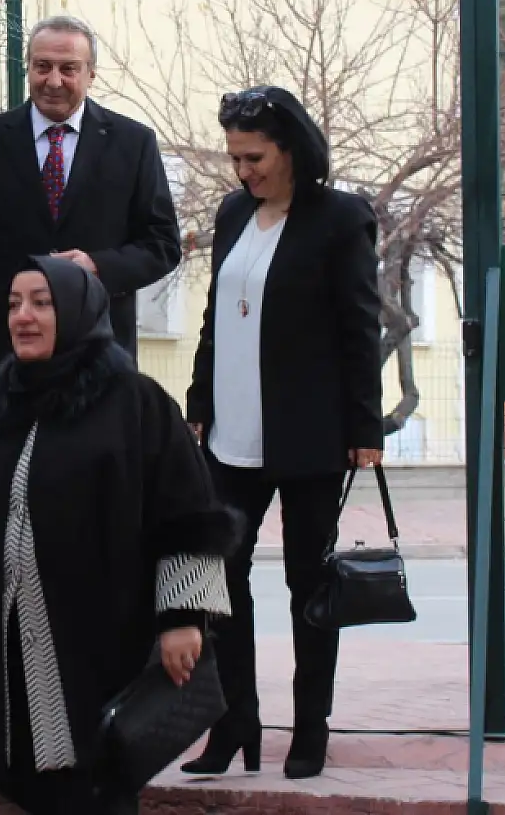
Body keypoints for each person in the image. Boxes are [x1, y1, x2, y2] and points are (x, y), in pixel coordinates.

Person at [0, 255, 236, 815]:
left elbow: (187, 510)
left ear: (78, 311)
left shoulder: (134, 402)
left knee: (96, 783)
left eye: (41, 302)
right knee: (23, 782)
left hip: (99, 643)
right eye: (14, 303)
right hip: (5, 649)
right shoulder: (1, 411)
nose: (23, 316)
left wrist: (183, 617)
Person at [180, 86, 383, 781]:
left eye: (254, 156)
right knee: (219, 578)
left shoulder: (340, 217)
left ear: (290, 146)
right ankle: (236, 718)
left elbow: (361, 324)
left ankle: (311, 725)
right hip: (230, 433)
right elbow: (216, 315)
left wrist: (365, 424)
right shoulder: (234, 212)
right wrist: (199, 395)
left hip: (309, 435)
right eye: (235, 157)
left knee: (307, 584)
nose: (243, 171)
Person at [0, 14, 181, 418]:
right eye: (42, 66)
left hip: (99, 361)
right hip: (6, 362)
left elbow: (162, 245)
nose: (53, 80)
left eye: (68, 68)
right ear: (28, 68)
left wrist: (98, 267)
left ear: (91, 74)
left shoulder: (133, 143)